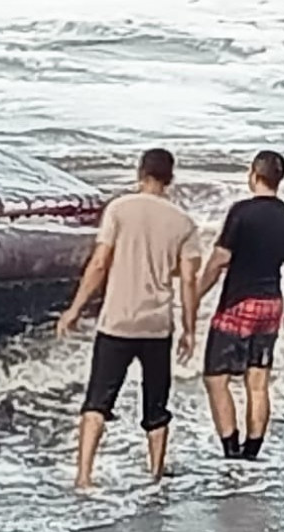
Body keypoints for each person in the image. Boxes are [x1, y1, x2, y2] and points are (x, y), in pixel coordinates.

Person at [56, 148, 202, 490]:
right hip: (157, 325)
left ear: (140, 172)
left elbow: (99, 263)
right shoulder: (183, 223)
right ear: (171, 178)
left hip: (117, 321)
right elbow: (190, 281)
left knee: (97, 400)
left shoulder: (119, 209)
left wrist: (74, 309)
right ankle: (155, 474)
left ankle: (84, 476)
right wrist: (190, 330)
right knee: (156, 403)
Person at [196, 150, 284, 460]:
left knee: (216, 378)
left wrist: (195, 295)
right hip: (271, 305)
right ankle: (252, 452)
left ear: (253, 175)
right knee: (258, 382)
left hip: (239, 304)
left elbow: (220, 260)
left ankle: (231, 449)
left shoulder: (241, 212)